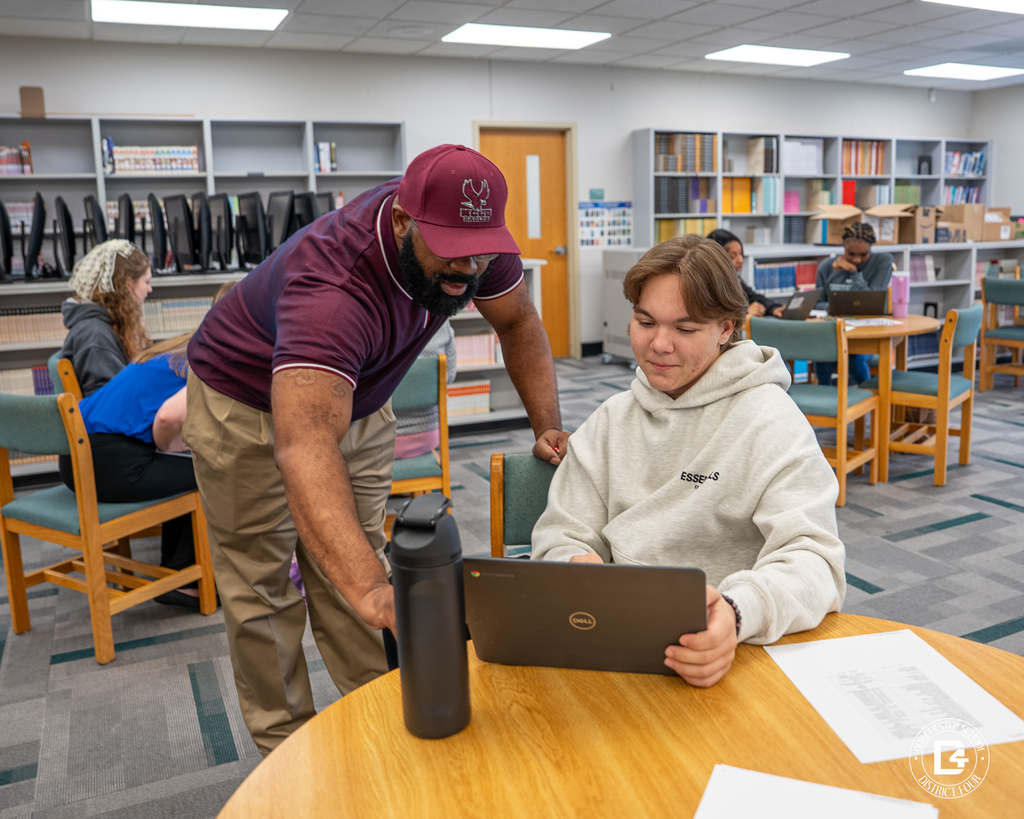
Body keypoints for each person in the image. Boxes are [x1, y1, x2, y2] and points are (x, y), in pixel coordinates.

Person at [183, 144, 569, 756]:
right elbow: (304, 447)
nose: (468, 271)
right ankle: (289, 750)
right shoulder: (332, 289)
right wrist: (367, 589)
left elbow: (518, 320)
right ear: (400, 222)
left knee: (357, 559)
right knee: (262, 585)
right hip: (246, 405)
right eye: (449, 252)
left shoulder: (474, 239)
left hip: (358, 394)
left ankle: (388, 713)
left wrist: (545, 423)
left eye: (481, 254)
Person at [532, 235, 845, 688]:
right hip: (619, 649)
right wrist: (574, 561)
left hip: (734, 654)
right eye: (645, 321)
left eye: (685, 328)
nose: (659, 344)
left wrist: (737, 613)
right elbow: (560, 531)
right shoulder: (610, 421)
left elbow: (816, 562)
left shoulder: (770, 421)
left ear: (726, 329)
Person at [57, 282, 236, 609]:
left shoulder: (181, 345)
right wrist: (173, 451)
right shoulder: (212, 360)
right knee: (208, 470)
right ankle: (185, 581)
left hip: (74, 456)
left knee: (185, 466)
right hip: (108, 464)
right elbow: (167, 419)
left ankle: (178, 570)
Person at [60, 240, 153, 396]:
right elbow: (110, 406)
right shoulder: (95, 336)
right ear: (128, 285)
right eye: (147, 281)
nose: (150, 289)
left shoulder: (104, 324)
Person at [814, 222, 894, 385]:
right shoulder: (827, 266)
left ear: (871, 249)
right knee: (821, 357)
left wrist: (853, 271)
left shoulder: (883, 261)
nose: (857, 259)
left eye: (863, 255)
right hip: (836, 333)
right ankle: (826, 400)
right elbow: (817, 303)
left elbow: (871, 299)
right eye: (851, 254)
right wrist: (831, 308)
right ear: (843, 248)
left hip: (868, 334)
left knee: (854, 359)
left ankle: (868, 399)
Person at [707, 229, 783, 318]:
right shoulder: (706, 284)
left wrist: (773, 308)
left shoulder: (734, 279)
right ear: (717, 259)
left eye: (741, 254)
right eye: (733, 256)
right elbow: (713, 316)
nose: (741, 260)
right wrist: (745, 312)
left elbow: (753, 297)